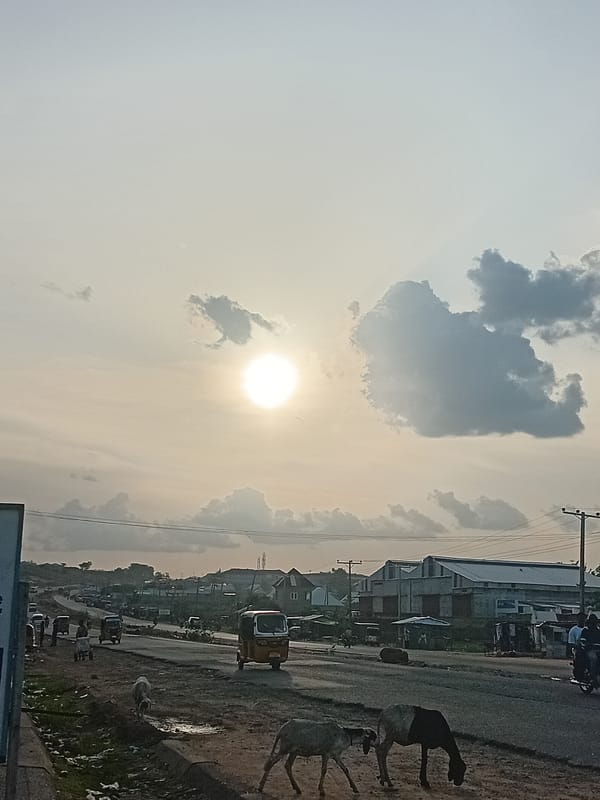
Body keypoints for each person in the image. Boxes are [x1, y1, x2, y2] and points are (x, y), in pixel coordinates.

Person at [579, 613, 600, 686]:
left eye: (595, 622)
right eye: (592, 622)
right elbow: (582, 641)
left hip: (598, 650)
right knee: (594, 659)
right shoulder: (585, 630)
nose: (594, 623)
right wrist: (587, 644)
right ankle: (592, 676)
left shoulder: (598, 631)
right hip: (589, 650)